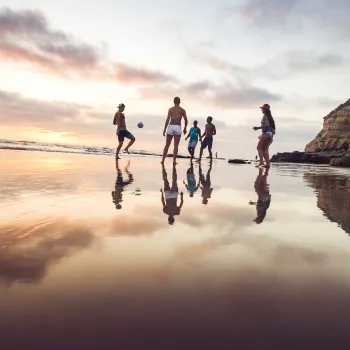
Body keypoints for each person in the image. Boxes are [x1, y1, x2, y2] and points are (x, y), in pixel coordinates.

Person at [161, 97, 188, 164]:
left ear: (173, 101)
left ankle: (163, 160)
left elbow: (167, 120)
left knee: (167, 145)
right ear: (180, 102)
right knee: (176, 146)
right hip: (178, 127)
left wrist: (164, 129)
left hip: (170, 126)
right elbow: (186, 120)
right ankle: (174, 161)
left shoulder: (170, 109)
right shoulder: (182, 110)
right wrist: (185, 128)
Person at [253, 103, 275, 168]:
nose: (261, 110)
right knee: (265, 150)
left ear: (265, 109)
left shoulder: (265, 116)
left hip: (266, 134)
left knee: (259, 148)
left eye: (262, 109)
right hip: (270, 135)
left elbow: (267, 125)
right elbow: (273, 131)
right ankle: (267, 163)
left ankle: (261, 162)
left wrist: (257, 128)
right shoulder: (271, 118)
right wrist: (269, 136)